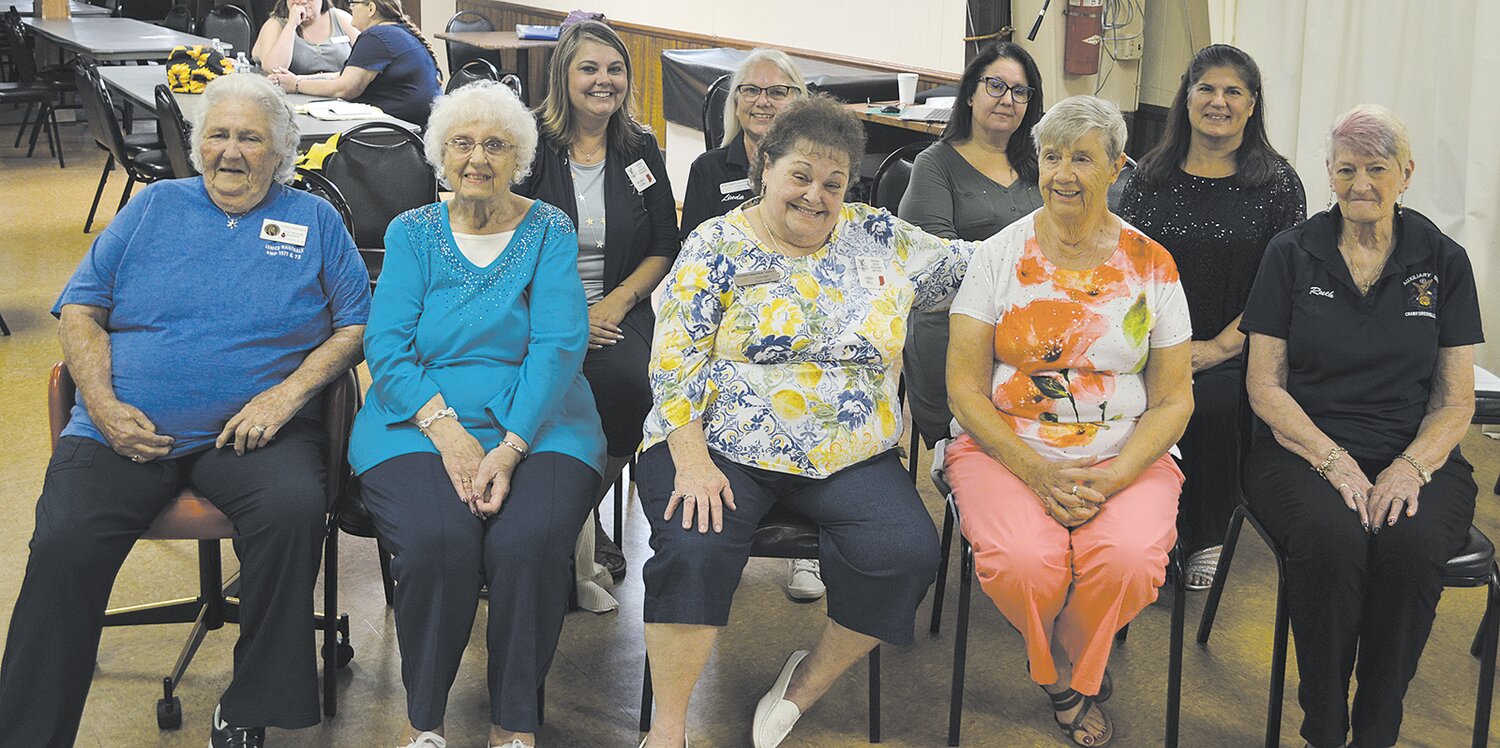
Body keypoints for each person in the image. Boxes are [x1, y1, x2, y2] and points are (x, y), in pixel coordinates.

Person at [0, 74, 370, 748]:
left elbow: (355, 326)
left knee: (291, 510)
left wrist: (287, 395)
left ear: (281, 151)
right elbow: (80, 310)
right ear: (199, 146)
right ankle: (28, 733)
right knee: (62, 542)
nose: (231, 152)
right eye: (219, 136)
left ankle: (246, 707)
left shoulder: (314, 220)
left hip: (257, 432)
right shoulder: (153, 208)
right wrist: (105, 407)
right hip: (127, 428)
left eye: (250, 138)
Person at [636, 94, 975, 748]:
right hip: (719, 443)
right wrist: (692, 456)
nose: (816, 195)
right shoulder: (716, 243)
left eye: (834, 182)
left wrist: (1058, 229)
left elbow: (968, 269)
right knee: (692, 544)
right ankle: (669, 727)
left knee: (904, 552)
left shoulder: (876, 236)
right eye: (800, 175)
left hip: (847, 453)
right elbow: (674, 359)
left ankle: (803, 685)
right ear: (764, 168)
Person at [349, 81, 605, 748]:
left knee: (529, 544)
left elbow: (557, 345)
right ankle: (426, 724)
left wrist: (512, 444)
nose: (477, 158)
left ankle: (513, 727)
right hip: (416, 417)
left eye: (495, 144)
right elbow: (386, 345)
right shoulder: (412, 232)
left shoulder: (549, 228)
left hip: (542, 417)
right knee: (438, 545)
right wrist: (450, 434)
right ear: (440, 153)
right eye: (462, 142)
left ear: (517, 155)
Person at [944, 95, 1195, 748]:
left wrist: (1111, 481)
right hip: (1007, 447)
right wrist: (1036, 469)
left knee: (1133, 560)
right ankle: (1067, 683)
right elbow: (964, 390)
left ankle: (1064, 663)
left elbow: (1173, 400)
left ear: (1117, 167)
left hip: (1124, 453)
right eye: (1052, 156)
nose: (1062, 173)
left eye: (1082, 158)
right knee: (1025, 562)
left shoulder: (1153, 265)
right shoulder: (998, 257)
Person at [1239, 104, 1482, 748]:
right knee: (1333, 539)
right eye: (1346, 170)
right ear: (1328, 173)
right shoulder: (1292, 253)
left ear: (1406, 174)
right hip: (1301, 448)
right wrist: (1333, 460)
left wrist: (1410, 466)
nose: (1361, 185)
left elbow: (1456, 401)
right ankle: (1323, 719)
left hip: (1417, 451)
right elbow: (1264, 384)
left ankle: (1377, 725)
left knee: (1409, 547)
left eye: (1377, 169)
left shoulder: (1444, 260)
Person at [1118, 44, 1305, 589]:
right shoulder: (1149, 174)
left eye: (1233, 92)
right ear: (1187, 96)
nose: (1218, 102)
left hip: (1242, 346)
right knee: (1129, 396)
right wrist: (1163, 348)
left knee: (1214, 402)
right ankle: (1147, 532)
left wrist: (1220, 347)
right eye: (1207, 89)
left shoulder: (1277, 183)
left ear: (1252, 104)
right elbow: (1127, 272)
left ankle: (1205, 533)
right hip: (1151, 341)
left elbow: (1284, 286)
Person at [516, 20, 678, 582]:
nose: (603, 81)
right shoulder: (529, 140)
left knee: (632, 386)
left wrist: (616, 303)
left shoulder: (639, 146)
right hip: (533, 304)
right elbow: (502, 245)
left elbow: (664, 243)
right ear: (564, 75)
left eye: (615, 69)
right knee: (533, 385)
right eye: (589, 68)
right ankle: (538, 518)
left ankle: (575, 514)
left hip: (619, 306)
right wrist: (569, 315)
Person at [680, 48, 826, 603]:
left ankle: (802, 556)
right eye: (751, 90)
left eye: (778, 91)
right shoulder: (707, 170)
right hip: (726, 323)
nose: (763, 101)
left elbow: (823, 253)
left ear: (798, 102)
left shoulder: (817, 171)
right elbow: (697, 261)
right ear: (735, 103)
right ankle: (729, 534)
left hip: (802, 316)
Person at [898, 40, 1045, 448]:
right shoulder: (936, 164)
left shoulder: (1043, 164)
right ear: (969, 94)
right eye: (995, 86)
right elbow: (933, 266)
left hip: (1037, 324)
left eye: (1020, 91)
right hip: (956, 329)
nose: (1008, 99)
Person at [266, 0, 440, 128]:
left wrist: (297, 85)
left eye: (354, 4)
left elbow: (344, 89)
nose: (350, 9)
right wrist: (297, 78)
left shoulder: (376, 37)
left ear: (371, 9)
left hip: (397, 133)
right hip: (413, 128)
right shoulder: (394, 32)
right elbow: (343, 75)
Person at [251, 0, 358, 75]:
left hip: (339, 93)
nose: (302, 2)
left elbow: (366, 58)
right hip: (292, 96)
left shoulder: (341, 19)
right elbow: (273, 69)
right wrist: (292, 24)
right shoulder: (274, 25)